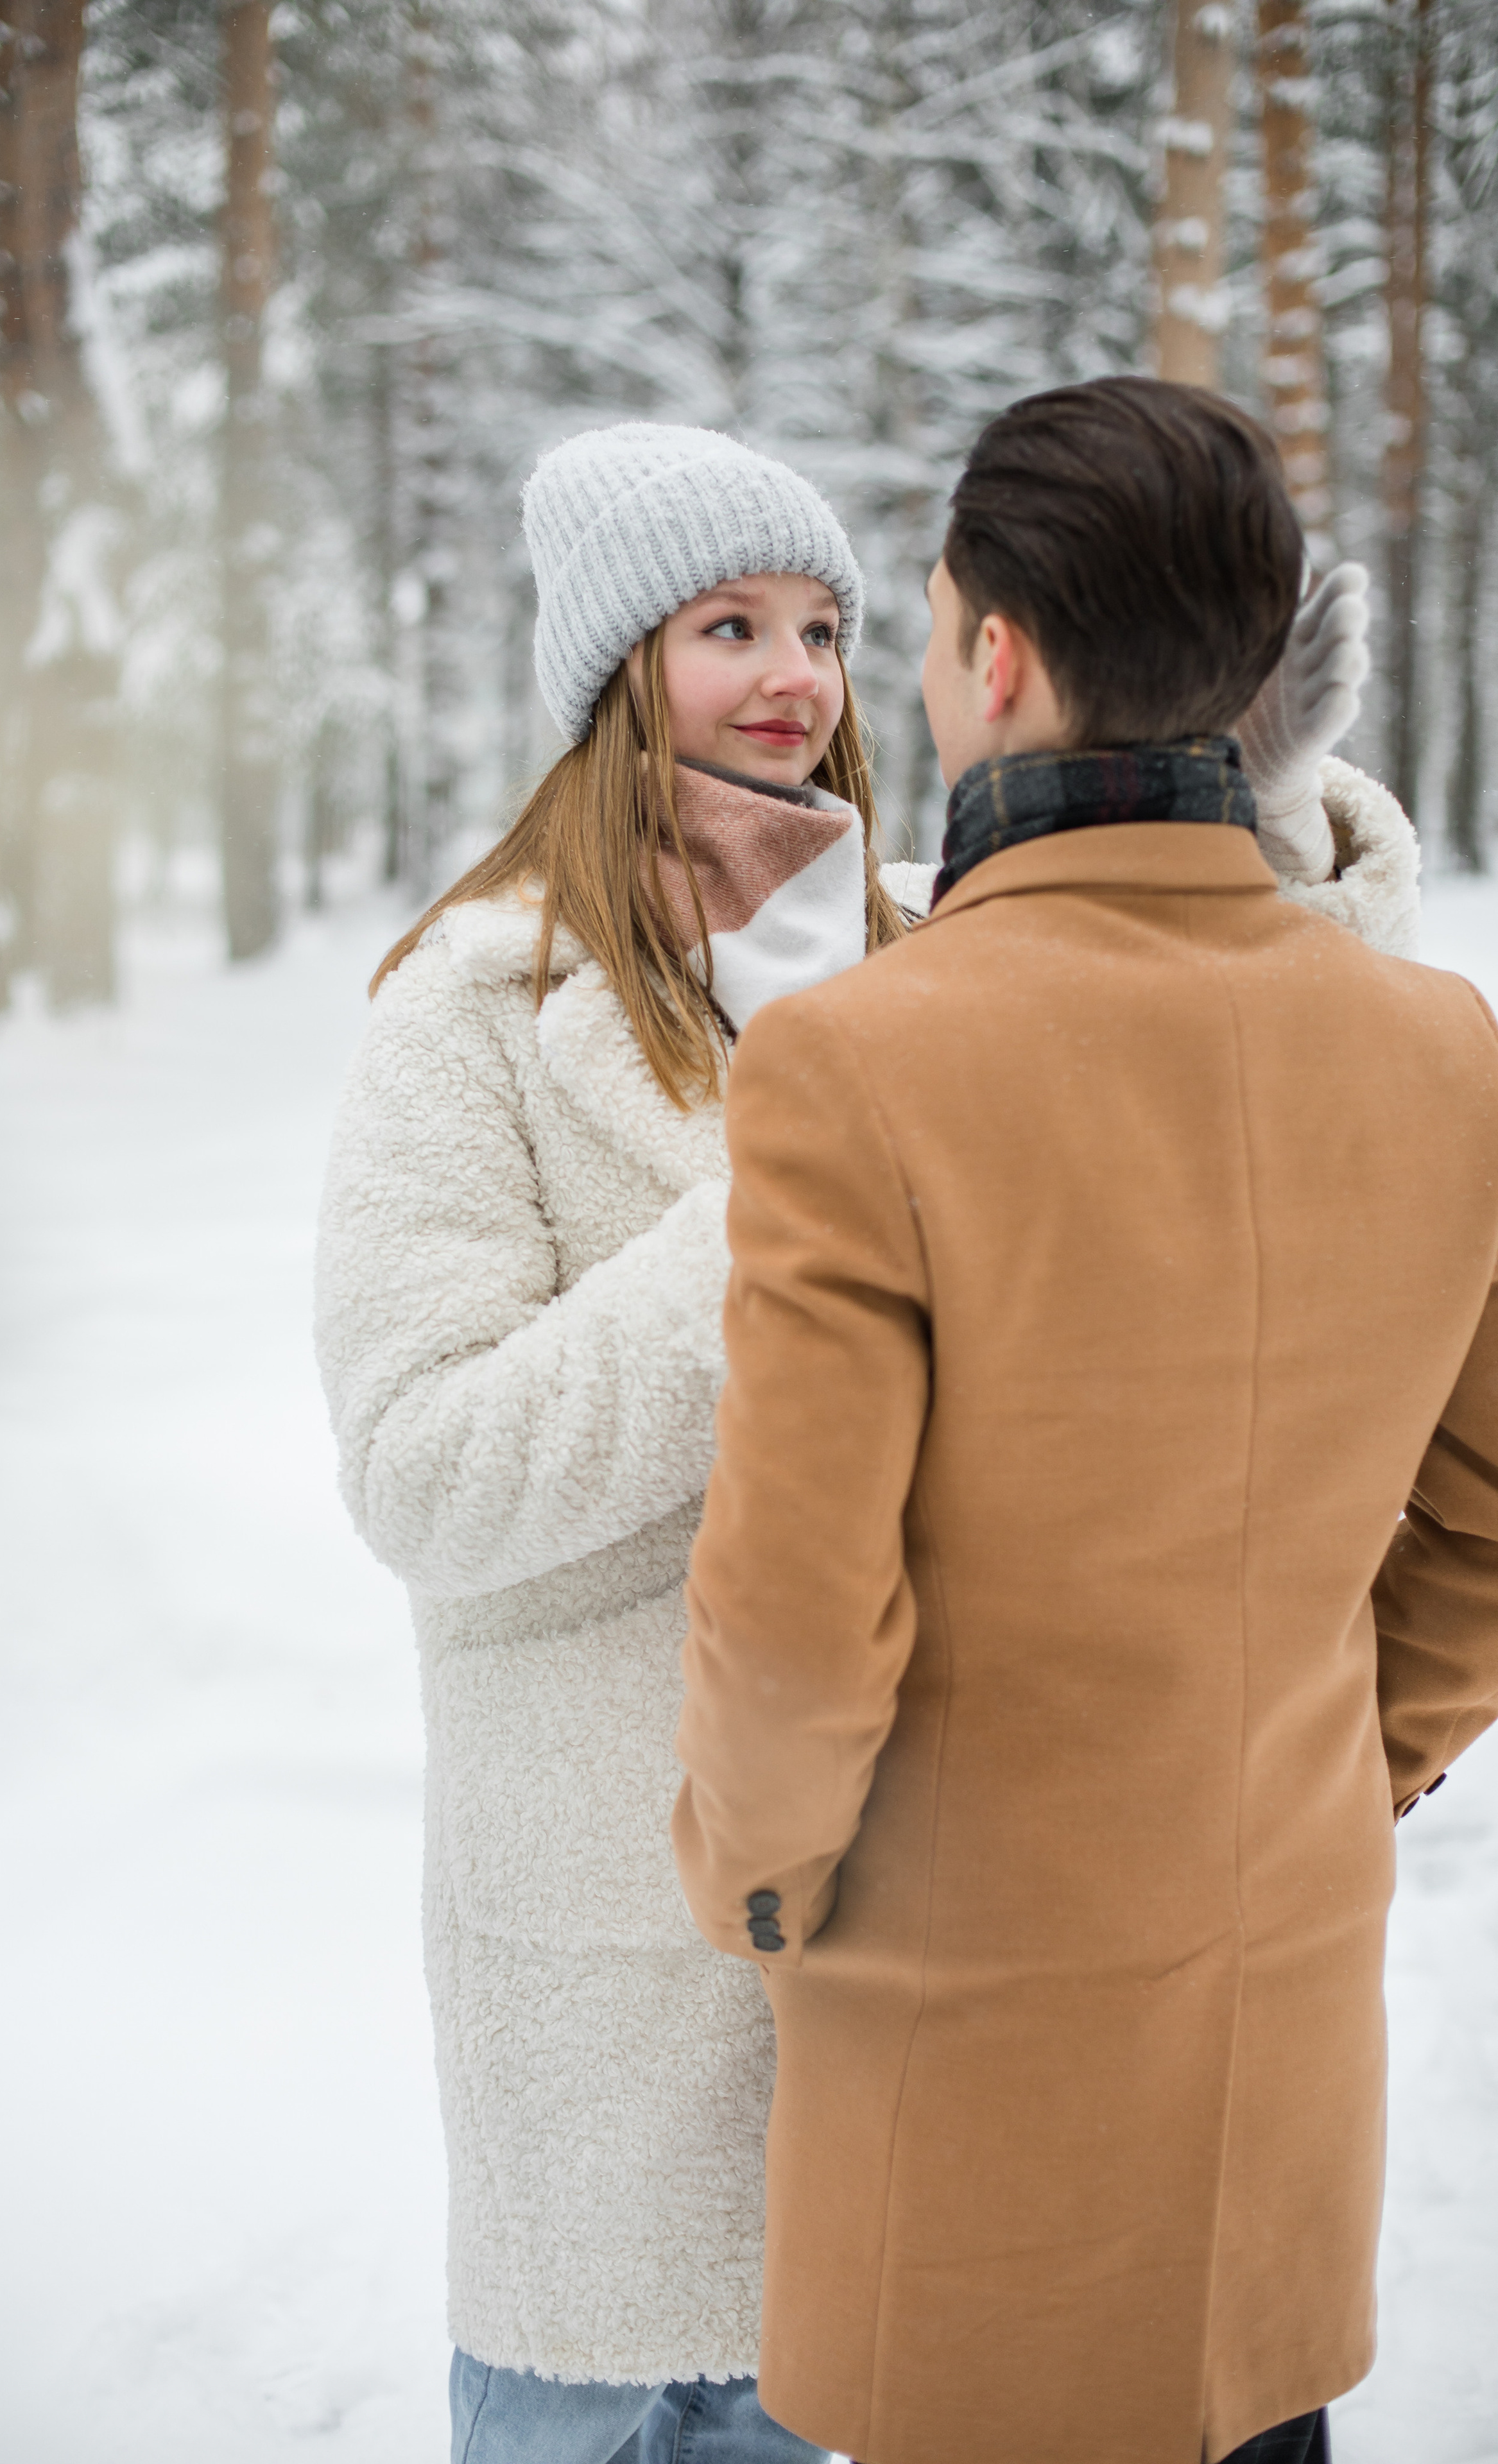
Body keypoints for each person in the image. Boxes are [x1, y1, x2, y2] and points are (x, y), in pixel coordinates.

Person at [314, 416, 1418, 2463]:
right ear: (612, 671)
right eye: (727, 623)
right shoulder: (466, 1009)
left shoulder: (932, 941)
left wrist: (1237, 797)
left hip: (944, 1991)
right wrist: (781, 1200)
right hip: (634, 1995)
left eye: (826, 622)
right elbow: (425, 1472)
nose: (795, 676)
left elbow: (1255, 1042)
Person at [669, 375, 1498, 2464]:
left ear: (995, 656)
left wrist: (757, 1884)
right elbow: (1480, 1524)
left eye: (927, 622)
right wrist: (1351, 1760)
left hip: (971, 2044)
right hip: (1270, 2016)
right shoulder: (1441, 1051)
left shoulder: (864, 1066)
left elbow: (794, 1611)